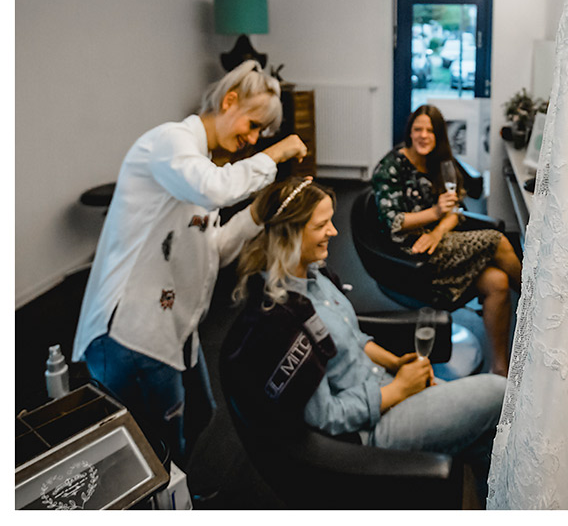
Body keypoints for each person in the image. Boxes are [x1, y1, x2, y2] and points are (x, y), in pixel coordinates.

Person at [72, 60, 307, 466]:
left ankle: (175, 493)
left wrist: (256, 215)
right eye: (251, 125)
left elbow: (211, 249)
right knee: (152, 447)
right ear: (229, 101)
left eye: (260, 135)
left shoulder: (202, 164)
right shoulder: (170, 143)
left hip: (178, 326)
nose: (251, 139)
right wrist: (277, 151)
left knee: (200, 414)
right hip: (132, 331)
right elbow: (215, 189)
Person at [233, 177, 506, 503]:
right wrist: (399, 389)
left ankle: (499, 502)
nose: (334, 232)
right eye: (322, 225)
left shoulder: (313, 274)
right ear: (289, 234)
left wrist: (396, 364)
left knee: (486, 436)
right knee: (499, 393)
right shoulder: (279, 322)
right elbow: (326, 417)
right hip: (368, 430)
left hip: (386, 384)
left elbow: (353, 336)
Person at [372, 104, 522, 376]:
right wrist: (434, 214)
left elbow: (455, 211)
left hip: (437, 241)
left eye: (430, 130)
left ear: (439, 134)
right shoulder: (391, 166)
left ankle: (500, 370)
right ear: (409, 132)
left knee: (498, 282)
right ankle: (535, 298)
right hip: (408, 252)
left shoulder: (439, 163)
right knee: (496, 240)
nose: (423, 135)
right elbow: (393, 220)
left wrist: (437, 230)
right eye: (418, 129)